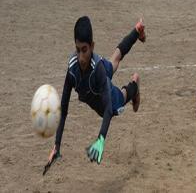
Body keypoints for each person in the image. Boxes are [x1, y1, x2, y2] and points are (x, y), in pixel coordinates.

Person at [45, 16, 146, 167]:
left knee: (118, 101)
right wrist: (56, 146)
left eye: (84, 50)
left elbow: (107, 109)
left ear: (92, 46)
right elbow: (64, 110)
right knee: (114, 59)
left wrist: (100, 140)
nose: (80, 57)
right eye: (77, 50)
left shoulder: (97, 70)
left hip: (100, 79)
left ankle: (134, 85)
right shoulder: (72, 70)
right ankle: (136, 31)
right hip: (100, 70)